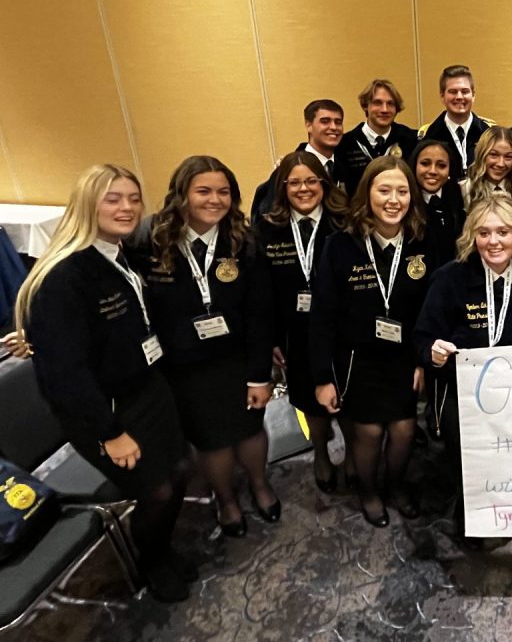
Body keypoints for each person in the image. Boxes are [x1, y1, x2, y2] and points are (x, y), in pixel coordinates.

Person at [14, 164, 194, 601]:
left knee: (181, 470)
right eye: (113, 198)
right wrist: (109, 433)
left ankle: (162, 548)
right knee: (157, 490)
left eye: (133, 198)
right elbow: (64, 376)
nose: (127, 207)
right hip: (107, 409)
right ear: (86, 204)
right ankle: (151, 562)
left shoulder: (119, 254)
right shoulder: (64, 278)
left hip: (148, 388)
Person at [145, 156, 278, 538]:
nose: (215, 200)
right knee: (209, 438)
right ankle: (226, 499)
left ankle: (259, 484)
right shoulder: (152, 241)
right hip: (184, 366)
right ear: (182, 194)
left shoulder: (242, 240)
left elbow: (259, 313)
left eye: (224, 192)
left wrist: (259, 375)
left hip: (236, 358)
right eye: (203, 191)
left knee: (251, 427)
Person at [310, 157, 434, 528]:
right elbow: (322, 315)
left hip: (404, 359)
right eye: (384, 190)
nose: (393, 199)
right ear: (367, 194)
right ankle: (368, 491)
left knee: (404, 430)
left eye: (402, 190)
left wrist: (422, 361)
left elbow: (433, 311)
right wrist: (322, 377)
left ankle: (395, 486)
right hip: (356, 360)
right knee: (368, 432)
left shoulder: (423, 242)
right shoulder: (340, 246)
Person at [414, 196, 512, 543]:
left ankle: (510, 508)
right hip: (463, 393)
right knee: (469, 461)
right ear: (472, 237)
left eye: (503, 232)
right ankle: (471, 511)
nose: (494, 241)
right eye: (484, 233)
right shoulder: (449, 279)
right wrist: (433, 353)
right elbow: (422, 338)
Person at [253, 151, 348, 493]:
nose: (304, 189)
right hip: (294, 331)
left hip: (342, 329)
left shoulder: (343, 221)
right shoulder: (267, 227)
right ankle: (321, 451)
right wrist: (272, 339)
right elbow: (261, 292)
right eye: (295, 182)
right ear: (282, 186)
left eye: (311, 181)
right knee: (310, 398)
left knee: (348, 391)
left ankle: (350, 452)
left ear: (324, 183)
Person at [251, 99, 346, 218]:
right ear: (308, 125)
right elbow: (269, 213)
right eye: (325, 121)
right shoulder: (288, 169)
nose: (333, 127)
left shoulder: (345, 168)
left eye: (338, 122)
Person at [336, 79, 418, 196]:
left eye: (390, 104)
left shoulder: (411, 140)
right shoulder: (344, 144)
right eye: (377, 103)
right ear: (365, 106)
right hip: (358, 212)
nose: (384, 109)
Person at [419, 65, 493, 181]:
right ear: (442, 96)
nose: (459, 97)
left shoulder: (488, 134)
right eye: (453, 92)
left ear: (473, 95)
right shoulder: (429, 136)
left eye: (465, 91)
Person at [411, 139, 464, 266]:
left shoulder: (459, 198)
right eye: (425, 163)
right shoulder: (406, 202)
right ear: (414, 166)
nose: (433, 171)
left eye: (441, 165)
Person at [461, 126, 512, 211]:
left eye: (508, 157)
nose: (501, 164)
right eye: (494, 155)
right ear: (482, 155)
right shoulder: (464, 190)